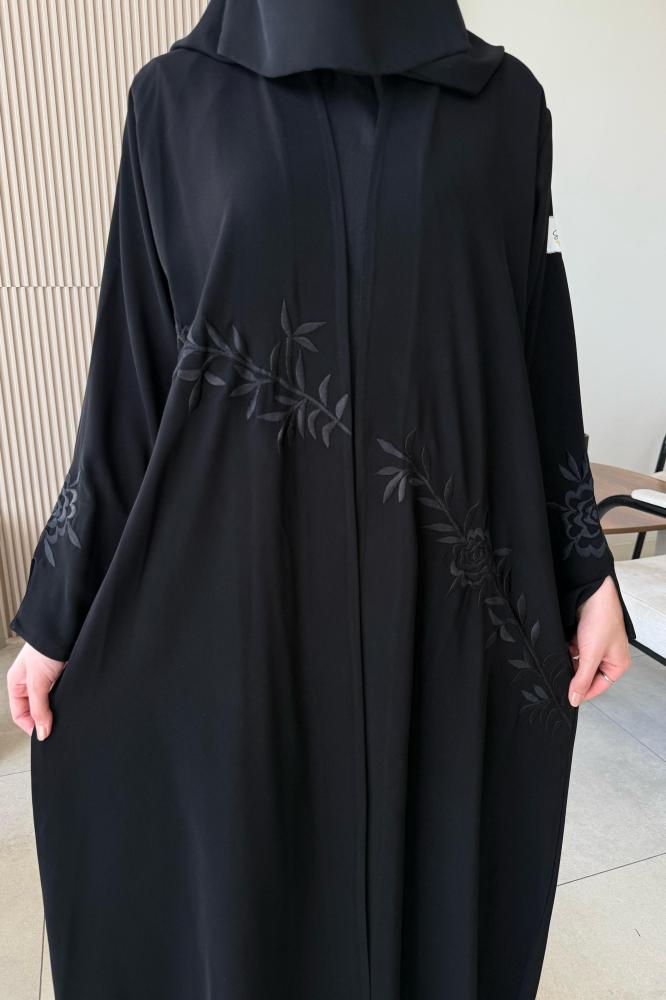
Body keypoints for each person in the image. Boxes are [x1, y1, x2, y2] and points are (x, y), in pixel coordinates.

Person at [7, 1, 633, 997]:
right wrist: (58, 614)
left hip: (442, 615)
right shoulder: (175, 103)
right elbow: (132, 377)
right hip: (239, 608)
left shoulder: (506, 108)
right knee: (252, 900)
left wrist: (586, 567)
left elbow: (536, 355)